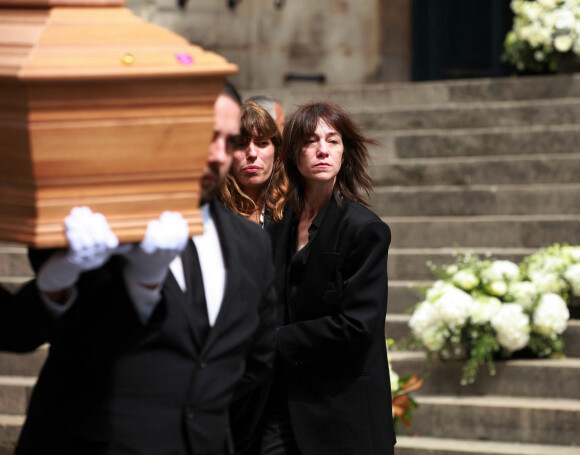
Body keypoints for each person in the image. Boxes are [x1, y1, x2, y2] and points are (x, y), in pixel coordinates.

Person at [13, 82, 278, 455]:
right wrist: (61, 278)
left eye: (229, 141)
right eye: (205, 136)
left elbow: (256, 359)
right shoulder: (93, 220)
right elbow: (20, 329)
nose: (219, 154)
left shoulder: (251, 243)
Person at [260, 101, 396, 454]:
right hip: (285, 408)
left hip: (344, 416)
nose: (323, 149)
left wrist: (275, 340)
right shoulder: (279, 223)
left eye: (333, 141)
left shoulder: (364, 229)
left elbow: (358, 325)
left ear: (344, 153)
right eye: (310, 140)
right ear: (293, 154)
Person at [219, 101, 287, 227]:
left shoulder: (293, 210)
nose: (252, 154)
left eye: (262, 143)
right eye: (241, 144)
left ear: (277, 154)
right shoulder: (211, 211)